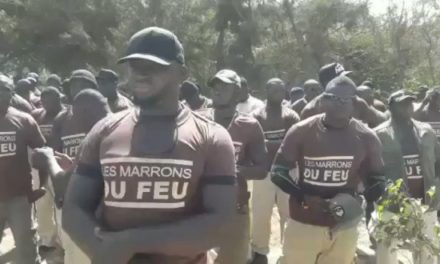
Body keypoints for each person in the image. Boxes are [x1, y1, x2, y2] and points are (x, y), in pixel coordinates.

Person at [62, 27, 237, 264]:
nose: (140, 75)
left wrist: (131, 242)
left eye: (154, 67)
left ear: (182, 73)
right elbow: (74, 209)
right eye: (134, 66)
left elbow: (220, 224)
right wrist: (105, 252)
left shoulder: (212, 137)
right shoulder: (104, 130)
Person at [271, 75, 385, 264]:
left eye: (346, 99)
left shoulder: (367, 137)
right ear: (323, 100)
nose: (340, 104)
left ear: (354, 103)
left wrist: (356, 201)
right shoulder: (302, 130)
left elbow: (377, 180)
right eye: (334, 98)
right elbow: (278, 172)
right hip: (304, 220)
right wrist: (303, 196)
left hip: (344, 224)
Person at [202, 69, 267, 264]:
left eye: (224, 86)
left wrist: (231, 172)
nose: (217, 90)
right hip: (197, 209)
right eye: (215, 86)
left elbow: (262, 169)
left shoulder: (249, 125)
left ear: (238, 93)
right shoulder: (196, 119)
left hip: (235, 209)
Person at [374, 90, 440, 264]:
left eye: (410, 103)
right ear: (391, 107)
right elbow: (371, 170)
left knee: (428, 251)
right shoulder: (379, 134)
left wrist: (436, 186)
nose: (408, 107)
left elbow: (438, 161)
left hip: (426, 201)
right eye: (402, 104)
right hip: (393, 203)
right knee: (388, 251)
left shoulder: (426, 131)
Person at [250, 78, 299, 264]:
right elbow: (255, 146)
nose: (278, 92)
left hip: (287, 172)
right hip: (264, 173)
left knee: (289, 212)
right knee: (261, 213)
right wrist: (278, 145)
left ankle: (289, 251)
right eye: (274, 89)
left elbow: (293, 146)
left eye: (281, 89)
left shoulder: (291, 116)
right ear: (267, 90)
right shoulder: (257, 116)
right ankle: (260, 251)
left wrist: (269, 145)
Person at [0, 74, 46, 264]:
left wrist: (40, 185)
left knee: (26, 249)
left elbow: (43, 152)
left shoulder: (24, 120)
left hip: (19, 198)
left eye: (4, 91)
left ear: (11, 94)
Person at [31, 86, 65, 251]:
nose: (46, 104)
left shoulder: (67, 116)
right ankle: (46, 239)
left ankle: (63, 241)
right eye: (43, 101)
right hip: (41, 169)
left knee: (61, 207)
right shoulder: (37, 116)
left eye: (50, 100)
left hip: (60, 168)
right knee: (42, 204)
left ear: (59, 99)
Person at [301, 64, 386, 128]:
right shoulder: (311, 110)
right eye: (343, 78)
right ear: (327, 82)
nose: (348, 80)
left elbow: (378, 123)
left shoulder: (357, 103)